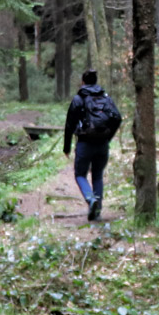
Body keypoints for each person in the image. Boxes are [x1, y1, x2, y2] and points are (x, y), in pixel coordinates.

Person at [62, 70, 122, 222]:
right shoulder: (106, 98)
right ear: (95, 81)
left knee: (80, 174)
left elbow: (69, 124)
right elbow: (117, 118)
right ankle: (97, 212)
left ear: (83, 82)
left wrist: (67, 147)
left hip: (84, 143)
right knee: (97, 175)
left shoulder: (78, 99)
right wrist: (108, 137)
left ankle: (90, 199)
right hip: (102, 143)